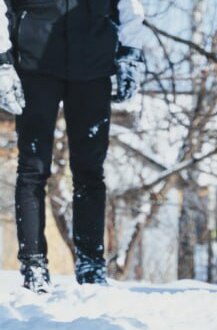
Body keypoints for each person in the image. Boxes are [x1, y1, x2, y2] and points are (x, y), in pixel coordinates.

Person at [0, 0, 148, 293]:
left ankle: (91, 264)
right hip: (34, 62)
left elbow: (130, 4)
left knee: (90, 171)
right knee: (32, 168)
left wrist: (130, 52)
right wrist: (2, 61)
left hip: (93, 63)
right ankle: (33, 264)